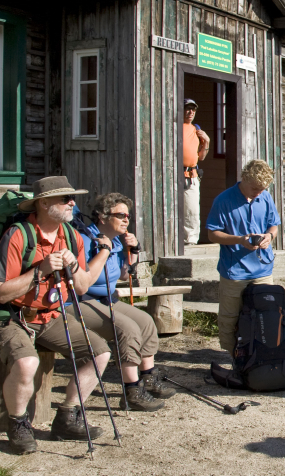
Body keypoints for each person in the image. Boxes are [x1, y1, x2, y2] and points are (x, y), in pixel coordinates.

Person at [0, 177, 112, 454]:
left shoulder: (72, 236)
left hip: (51, 315)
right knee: (27, 363)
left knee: (100, 353)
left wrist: (73, 267)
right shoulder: (18, 235)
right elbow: (2, 293)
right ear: (43, 203)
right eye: (65, 199)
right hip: (14, 316)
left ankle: (67, 417)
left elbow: (82, 287)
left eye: (72, 198)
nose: (72, 203)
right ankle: (17, 424)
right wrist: (40, 271)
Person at [79, 193, 175, 411]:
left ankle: (148, 377)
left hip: (108, 299)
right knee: (127, 328)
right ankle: (131, 391)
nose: (126, 220)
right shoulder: (85, 239)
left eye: (128, 216)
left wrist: (133, 251)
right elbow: (84, 281)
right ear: (103, 217)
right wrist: (103, 252)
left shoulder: (114, 241)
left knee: (145, 321)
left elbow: (124, 275)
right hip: (84, 301)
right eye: (120, 215)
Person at [206, 160, 282, 357]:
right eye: (255, 188)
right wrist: (240, 240)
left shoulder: (265, 197)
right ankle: (233, 356)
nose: (259, 192)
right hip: (235, 270)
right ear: (244, 178)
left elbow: (274, 225)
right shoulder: (223, 200)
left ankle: (262, 356)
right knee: (230, 317)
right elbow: (212, 234)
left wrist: (269, 236)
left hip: (263, 269)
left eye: (262, 189)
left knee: (268, 314)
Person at [182, 98, 210, 246]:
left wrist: (207, 141)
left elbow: (201, 157)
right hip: (174, 174)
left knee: (191, 210)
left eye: (193, 109)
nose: (191, 112)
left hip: (191, 175)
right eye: (188, 108)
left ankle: (190, 241)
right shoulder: (174, 126)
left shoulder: (196, 129)